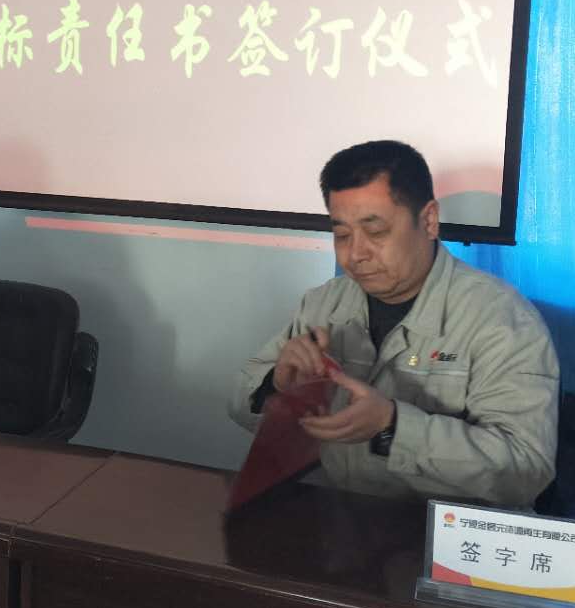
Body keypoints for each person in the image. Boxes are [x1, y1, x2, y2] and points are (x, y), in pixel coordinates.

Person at [228, 140, 557, 508]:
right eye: (342, 235)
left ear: (428, 221)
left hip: (442, 530)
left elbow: (525, 470)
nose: (355, 254)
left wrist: (394, 426)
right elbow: (240, 405)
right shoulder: (324, 304)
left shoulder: (501, 319)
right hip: (340, 517)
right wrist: (277, 386)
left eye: (376, 232)